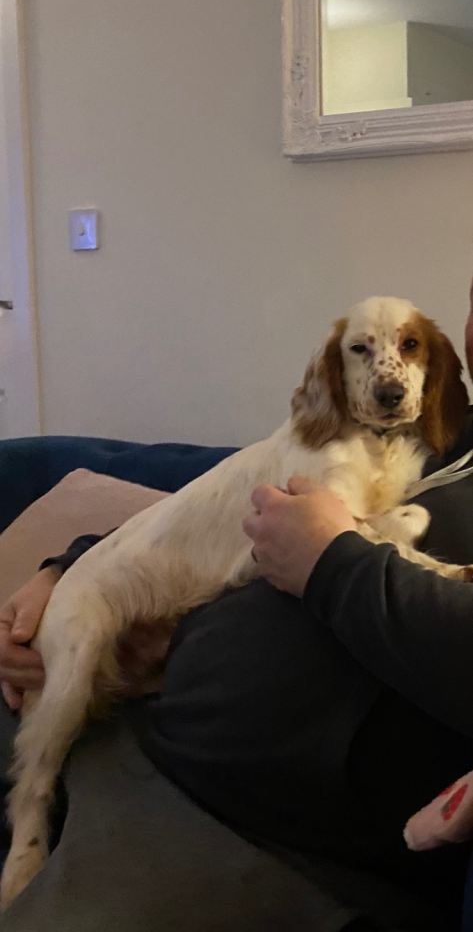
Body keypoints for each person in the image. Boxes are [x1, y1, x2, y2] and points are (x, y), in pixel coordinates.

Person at [2, 282, 473, 931]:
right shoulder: (440, 430)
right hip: (131, 727)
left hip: (254, 820)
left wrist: (334, 562)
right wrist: (66, 565)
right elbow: (220, 502)